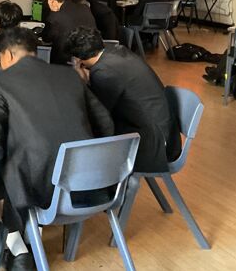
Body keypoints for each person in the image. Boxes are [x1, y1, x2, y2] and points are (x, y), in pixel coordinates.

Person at [0, 28, 113, 269]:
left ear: (7, 55)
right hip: (88, 182)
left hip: (40, 188)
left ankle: (18, 247)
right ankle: (26, 241)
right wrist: (100, 164)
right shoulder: (71, 75)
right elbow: (105, 122)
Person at [68, 26, 182, 173]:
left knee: (87, 140)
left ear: (77, 59)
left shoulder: (102, 72)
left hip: (154, 144)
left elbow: (100, 114)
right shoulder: (118, 51)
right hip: (166, 132)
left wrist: (81, 79)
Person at [40, 0, 96, 65]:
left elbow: (46, 38)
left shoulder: (55, 17)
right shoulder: (85, 8)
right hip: (89, 60)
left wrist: (53, 12)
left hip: (65, 64)